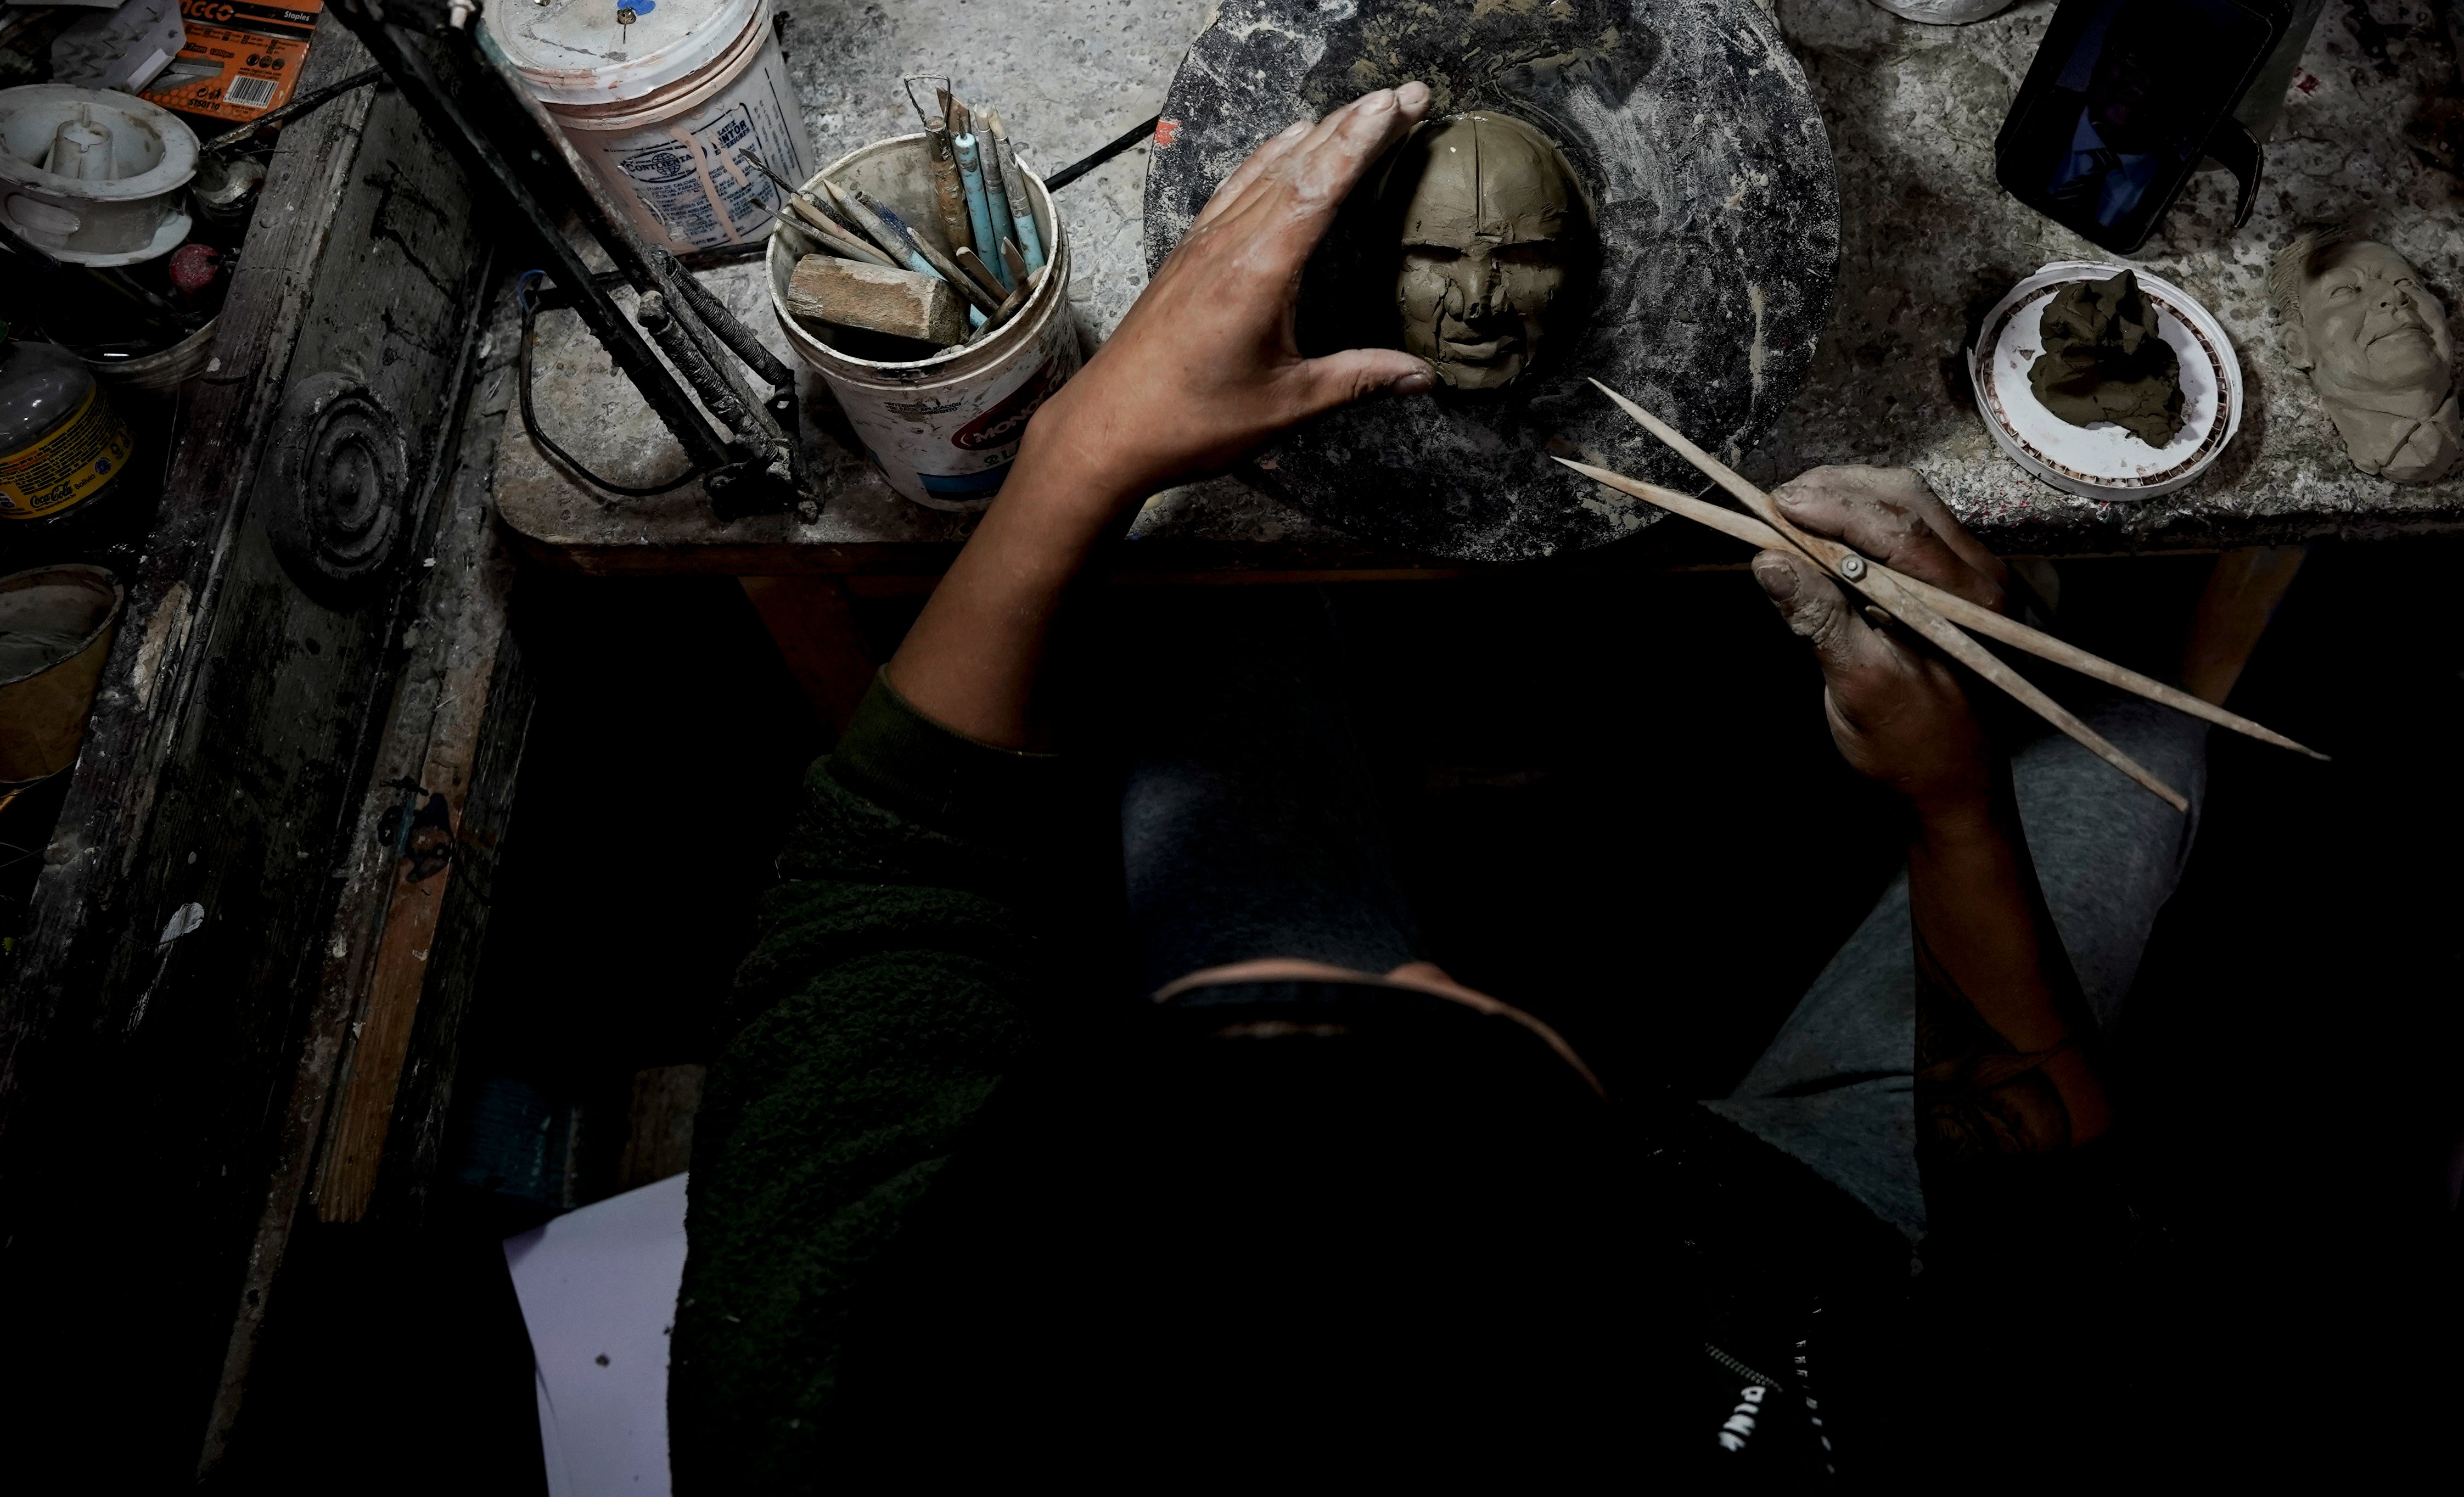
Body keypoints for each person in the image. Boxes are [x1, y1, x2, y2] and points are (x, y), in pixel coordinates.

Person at [671, 84, 2205, 1484]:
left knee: (1207, 592)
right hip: (1810, 1250)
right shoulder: (1937, 1438)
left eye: (1220, 1023)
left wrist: (1081, 454)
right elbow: (2040, 1239)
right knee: (2146, 746)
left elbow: (882, 877)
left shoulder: (826, 1377)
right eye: (1469, 1019)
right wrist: (1952, 804)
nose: (1421, 953)